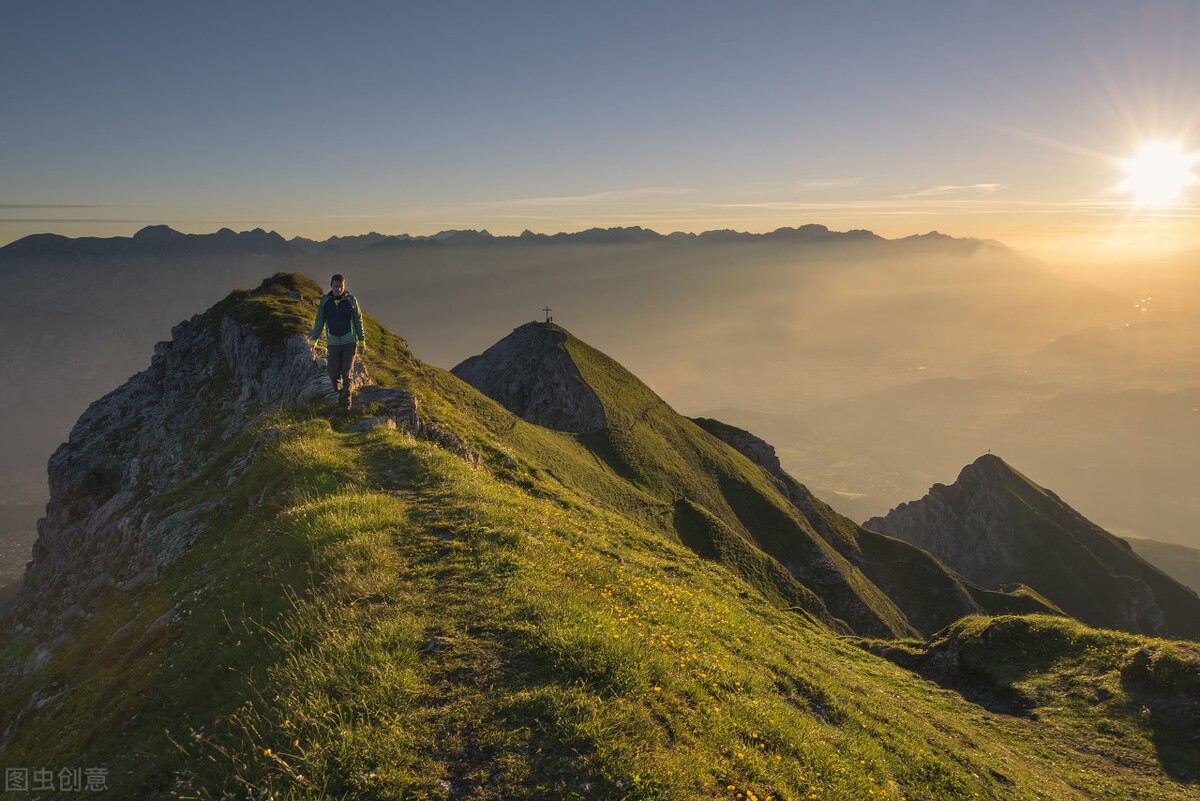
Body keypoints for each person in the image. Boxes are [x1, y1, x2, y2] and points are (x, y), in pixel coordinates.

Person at [309, 274, 366, 410]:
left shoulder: (351, 300)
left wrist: (361, 342)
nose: (339, 289)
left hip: (349, 343)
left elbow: (358, 321)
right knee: (333, 374)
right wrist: (313, 341)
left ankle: (346, 407)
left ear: (344, 286)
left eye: (341, 286)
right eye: (336, 286)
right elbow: (319, 322)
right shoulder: (325, 301)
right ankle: (341, 392)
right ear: (331, 285)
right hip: (333, 344)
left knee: (347, 375)